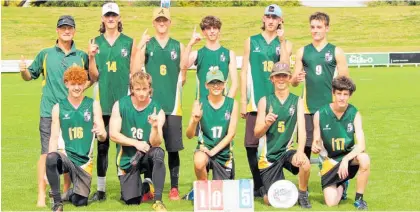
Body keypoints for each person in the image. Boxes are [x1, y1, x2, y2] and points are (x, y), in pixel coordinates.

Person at [19, 15, 89, 207]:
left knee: (68, 153)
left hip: (72, 113)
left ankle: (65, 191)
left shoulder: (81, 56)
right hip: (49, 112)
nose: (66, 31)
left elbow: (89, 79)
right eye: (63, 28)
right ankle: (42, 194)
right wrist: (23, 70)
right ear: (57, 31)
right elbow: (29, 76)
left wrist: (77, 93)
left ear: (74, 31)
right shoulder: (45, 54)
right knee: (46, 153)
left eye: (70, 28)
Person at [132, 7, 185, 200]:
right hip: (151, 104)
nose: (161, 23)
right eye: (158, 20)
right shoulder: (148, 45)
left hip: (172, 104)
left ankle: (174, 187)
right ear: (153, 23)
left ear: (169, 22)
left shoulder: (177, 46)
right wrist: (140, 46)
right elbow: (136, 72)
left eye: (165, 20)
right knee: (150, 145)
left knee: (172, 147)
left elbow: (183, 73)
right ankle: (149, 187)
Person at [240, 4, 292, 197]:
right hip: (255, 100)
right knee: (251, 145)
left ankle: (272, 180)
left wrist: (282, 40)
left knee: (272, 144)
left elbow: (286, 66)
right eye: (268, 17)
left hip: (276, 102)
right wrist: (243, 100)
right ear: (263, 19)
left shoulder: (284, 43)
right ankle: (257, 184)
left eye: (275, 17)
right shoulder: (251, 41)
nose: (271, 20)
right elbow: (244, 71)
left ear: (280, 21)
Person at [88, 2, 136, 201]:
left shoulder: (128, 42)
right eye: (107, 15)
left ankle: (125, 187)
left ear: (119, 18)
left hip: (123, 104)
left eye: (113, 15)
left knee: (123, 147)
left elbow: (134, 72)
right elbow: (94, 75)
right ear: (102, 18)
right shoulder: (95, 42)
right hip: (102, 103)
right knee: (102, 146)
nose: (110, 19)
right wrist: (91, 57)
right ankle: (100, 190)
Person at [46, 66, 107, 211]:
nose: (77, 87)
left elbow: (103, 136)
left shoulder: (93, 105)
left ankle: (68, 194)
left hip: (84, 162)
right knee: (51, 158)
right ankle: (57, 202)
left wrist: (100, 132)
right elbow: (54, 138)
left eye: (80, 83)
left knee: (81, 202)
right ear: (66, 84)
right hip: (66, 156)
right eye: (73, 84)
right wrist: (48, 164)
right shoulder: (58, 108)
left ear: (85, 83)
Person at [291, 12, 349, 160]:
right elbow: (293, 82)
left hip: (329, 108)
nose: (315, 30)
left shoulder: (336, 51)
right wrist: (296, 78)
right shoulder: (302, 51)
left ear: (327, 28)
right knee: (305, 148)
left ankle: (334, 180)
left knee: (330, 148)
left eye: (319, 27)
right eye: (312, 27)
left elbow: (345, 84)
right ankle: (303, 183)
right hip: (307, 108)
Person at [254, 62, 311, 208]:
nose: (281, 79)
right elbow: (256, 133)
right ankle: (264, 189)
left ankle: (303, 194)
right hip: (268, 157)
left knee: (305, 163)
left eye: (284, 76)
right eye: (277, 76)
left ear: (289, 78)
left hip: (286, 151)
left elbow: (302, 131)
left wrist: (299, 151)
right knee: (271, 201)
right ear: (272, 78)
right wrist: (266, 123)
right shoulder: (264, 101)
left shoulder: (297, 101)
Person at [109, 71, 167, 211]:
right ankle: (146, 186)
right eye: (138, 89)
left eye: (145, 89)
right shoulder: (120, 105)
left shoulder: (157, 110)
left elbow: (157, 142)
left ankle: (158, 201)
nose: (141, 93)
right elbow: (113, 134)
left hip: (147, 155)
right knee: (132, 201)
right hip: (128, 158)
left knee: (158, 153)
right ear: (132, 89)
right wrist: (135, 142)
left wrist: (154, 127)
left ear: (150, 89)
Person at [311, 76, 370, 210]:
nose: (342, 98)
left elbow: (361, 145)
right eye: (339, 94)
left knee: (364, 158)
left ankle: (359, 199)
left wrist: (345, 159)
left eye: (345, 94)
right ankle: (343, 185)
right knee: (331, 203)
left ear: (350, 95)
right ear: (333, 93)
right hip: (329, 161)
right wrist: (315, 145)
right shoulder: (320, 114)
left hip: (348, 159)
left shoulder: (354, 114)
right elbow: (316, 139)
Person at [186, 69, 238, 181]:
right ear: (206, 85)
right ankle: (204, 189)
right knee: (199, 162)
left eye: (219, 82)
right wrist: (195, 121)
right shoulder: (199, 103)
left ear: (224, 84)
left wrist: (213, 151)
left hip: (224, 153)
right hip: (205, 149)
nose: (216, 86)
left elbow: (231, 134)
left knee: (223, 194)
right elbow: (189, 135)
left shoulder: (232, 103)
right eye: (212, 83)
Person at [184, 15, 238, 99]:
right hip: (202, 106)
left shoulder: (229, 54)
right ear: (203, 31)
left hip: (222, 105)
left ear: (219, 30)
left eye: (215, 28)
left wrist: (227, 105)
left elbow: (235, 84)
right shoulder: (197, 54)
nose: (212, 31)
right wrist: (190, 44)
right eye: (208, 28)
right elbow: (183, 66)